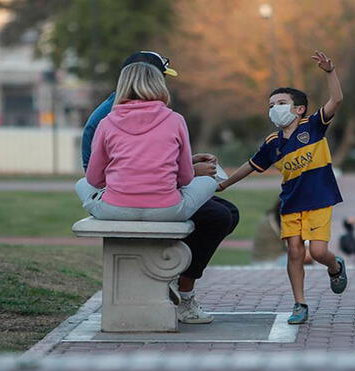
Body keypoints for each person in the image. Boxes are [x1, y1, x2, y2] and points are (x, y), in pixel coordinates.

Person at [80, 51, 239, 324]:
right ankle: (179, 288)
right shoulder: (173, 118)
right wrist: (194, 170)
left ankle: (175, 278)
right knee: (216, 206)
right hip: (163, 204)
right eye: (163, 78)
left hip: (117, 204)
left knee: (226, 212)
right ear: (155, 82)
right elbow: (185, 178)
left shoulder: (108, 120)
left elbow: (93, 178)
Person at [218, 51, 347, 325]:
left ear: (298, 109)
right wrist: (225, 183)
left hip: (320, 199)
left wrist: (329, 72)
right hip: (290, 203)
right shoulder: (272, 143)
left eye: (281, 102)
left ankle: (336, 268)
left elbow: (336, 100)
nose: (274, 107)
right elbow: (251, 165)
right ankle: (300, 303)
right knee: (295, 252)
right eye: (271, 104)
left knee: (319, 253)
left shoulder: (313, 126)